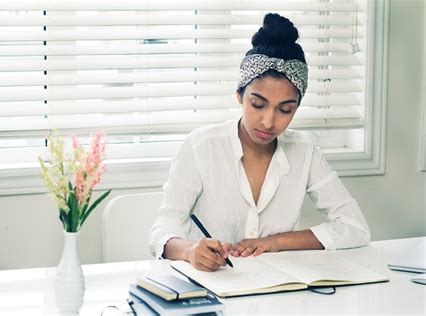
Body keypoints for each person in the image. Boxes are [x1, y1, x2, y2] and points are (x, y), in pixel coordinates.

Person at [149, 13, 370, 272]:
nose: (268, 122)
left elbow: (354, 228)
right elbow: (161, 231)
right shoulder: (201, 146)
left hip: (279, 286)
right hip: (212, 286)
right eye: (257, 104)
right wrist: (189, 251)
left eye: (285, 110)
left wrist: (274, 242)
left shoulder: (305, 150)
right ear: (239, 96)